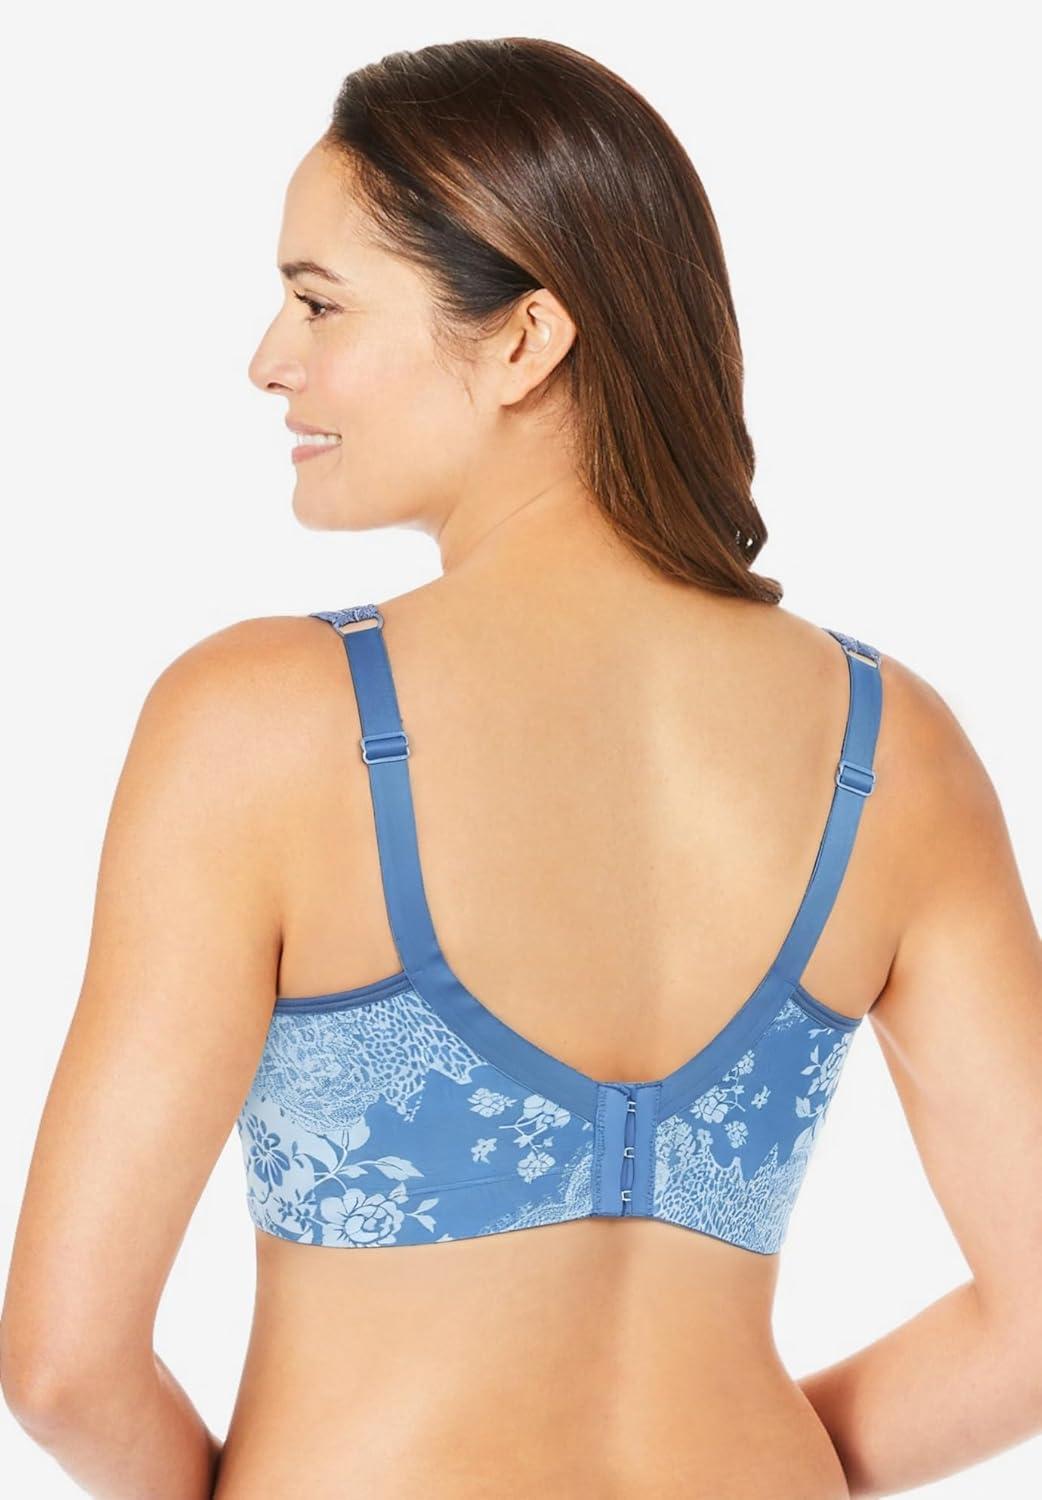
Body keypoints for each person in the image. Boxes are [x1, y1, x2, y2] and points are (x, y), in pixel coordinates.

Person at [3, 36, 1041, 1500]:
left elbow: (61, 1368)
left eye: (319, 302)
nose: (270, 359)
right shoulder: (892, 743)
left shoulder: (264, 720)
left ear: (523, 340)